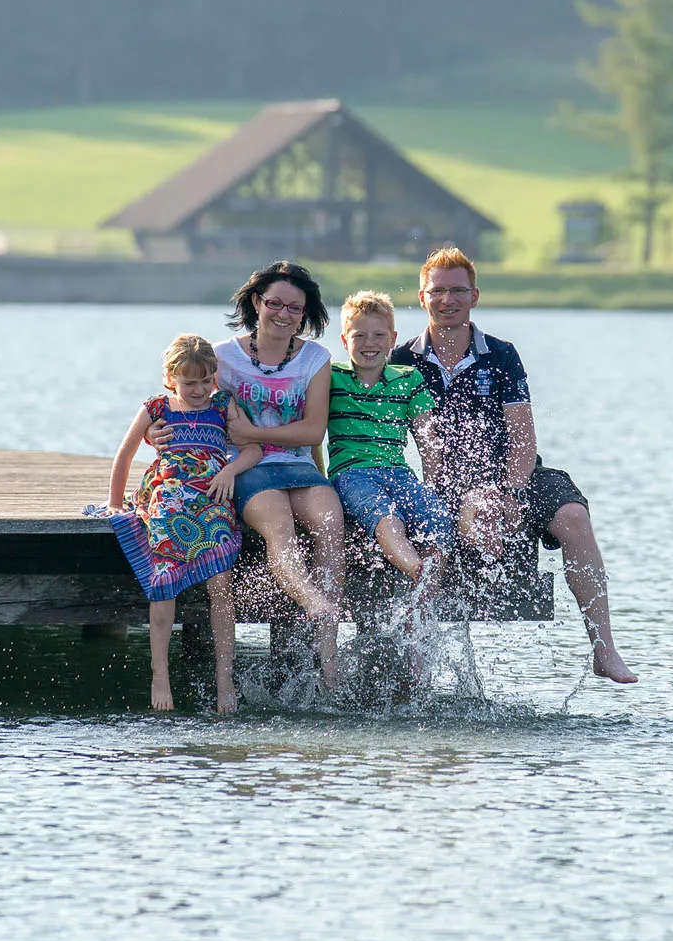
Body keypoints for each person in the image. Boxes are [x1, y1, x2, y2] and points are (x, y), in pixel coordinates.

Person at [393, 246, 638, 684]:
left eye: (458, 291)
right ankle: (413, 668)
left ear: (474, 296)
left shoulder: (501, 354)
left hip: (515, 473)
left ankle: (604, 648)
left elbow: (523, 437)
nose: (448, 300)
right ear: (422, 296)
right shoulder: (401, 360)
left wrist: (510, 491)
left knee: (574, 516)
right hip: (448, 480)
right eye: (438, 291)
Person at [154, 262, 345, 684]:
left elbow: (313, 430)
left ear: (305, 312)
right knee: (280, 526)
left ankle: (329, 654)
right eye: (275, 303)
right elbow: (184, 396)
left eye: (295, 307)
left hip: (299, 466)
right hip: (248, 467)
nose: (283, 314)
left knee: (331, 523)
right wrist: (155, 430)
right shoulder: (224, 356)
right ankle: (314, 601)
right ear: (257, 302)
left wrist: (253, 432)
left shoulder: (316, 358)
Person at [107, 334, 261, 713]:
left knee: (221, 581)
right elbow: (124, 454)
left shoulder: (223, 405)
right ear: (170, 377)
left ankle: (225, 678)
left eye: (206, 381)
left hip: (211, 495)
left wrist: (230, 470)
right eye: (190, 382)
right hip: (170, 494)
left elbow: (253, 449)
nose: (199, 390)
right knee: (164, 578)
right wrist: (113, 503)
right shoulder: (157, 407)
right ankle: (160, 673)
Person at [327, 290, 456, 592]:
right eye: (359, 335)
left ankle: (423, 602)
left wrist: (432, 487)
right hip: (352, 474)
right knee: (385, 515)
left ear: (392, 339)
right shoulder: (331, 377)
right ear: (344, 340)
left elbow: (428, 440)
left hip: (399, 473)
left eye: (378, 335)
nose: (369, 343)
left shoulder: (408, 378)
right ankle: (415, 568)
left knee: (438, 518)